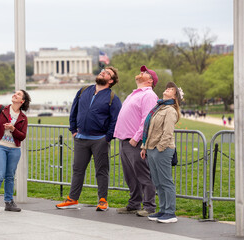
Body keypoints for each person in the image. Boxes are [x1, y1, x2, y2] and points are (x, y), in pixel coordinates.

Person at [55, 66, 122, 211]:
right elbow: (74, 111)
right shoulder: (84, 90)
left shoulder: (112, 98)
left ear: (110, 80)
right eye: (103, 70)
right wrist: (73, 130)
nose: (102, 72)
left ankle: (103, 200)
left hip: (100, 140)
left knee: (101, 171)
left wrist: (107, 138)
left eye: (107, 73)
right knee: (77, 170)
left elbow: (115, 120)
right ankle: (72, 199)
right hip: (81, 138)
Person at [114, 65, 158, 217]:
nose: (141, 73)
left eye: (145, 73)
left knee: (143, 175)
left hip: (135, 141)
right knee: (130, 176)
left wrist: (136, 138)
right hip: (124, 140)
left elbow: (148, 118)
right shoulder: (134, 94)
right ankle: (134, 203)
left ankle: (150, 206)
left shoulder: (149, 95)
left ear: (150, 81)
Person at [140, 82, 183, 223]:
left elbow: (167, 132)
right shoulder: (159, 107)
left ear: (175, 96)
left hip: (162, 150)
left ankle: (170, 213)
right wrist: (145, 147)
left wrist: (159, 148)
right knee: (157, 182)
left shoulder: (170, 110)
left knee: (166, 181)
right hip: (151, 149)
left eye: (171, 89)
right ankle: (163, 210)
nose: (167, 89)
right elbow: (150, 129)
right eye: (167, 87)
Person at [0, 84, 31, 214]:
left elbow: (22, 136)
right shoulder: (2, 109)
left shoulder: (23, 118)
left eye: (19, 94)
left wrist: (13, 129)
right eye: (15, 93)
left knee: (10, 176)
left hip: (14, 149)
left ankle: (9, 202)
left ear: (22, 101)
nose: (15, 94)